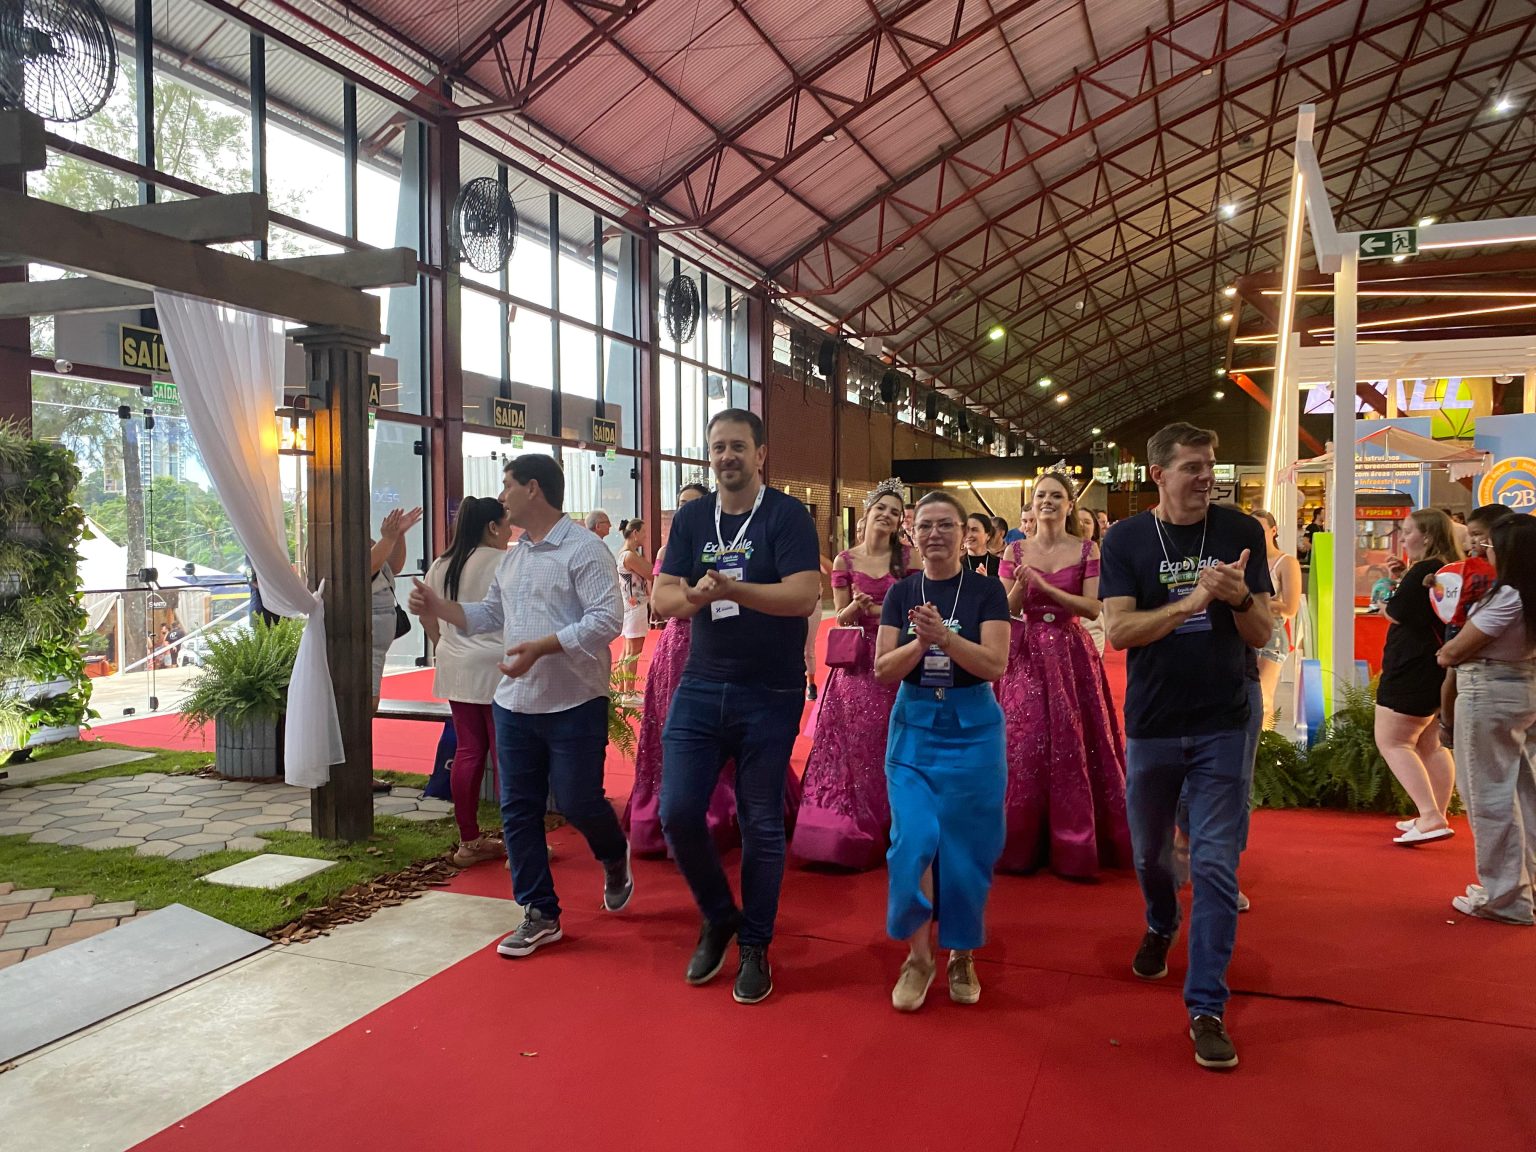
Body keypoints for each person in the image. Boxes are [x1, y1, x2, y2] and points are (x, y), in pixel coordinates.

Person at [409, 455, 631, 959]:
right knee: (517, 808)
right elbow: (491, 614)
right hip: (513, 702)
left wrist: (543, 647)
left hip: (575, 700)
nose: (501, 496)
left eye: (507, 485)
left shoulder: (585, 549)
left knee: (578, 801)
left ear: (533, 488)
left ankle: (614, 853)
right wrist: (440, 608)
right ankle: (539, 912)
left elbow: (606, 620)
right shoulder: (515, 556)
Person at [1100, 422, 1272, 1071]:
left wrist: (1240, 596)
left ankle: (1206, 1007)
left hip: (1224, 721)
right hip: (1153, 723)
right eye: (1193, 467)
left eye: (1211, 466)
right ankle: (1161, 920)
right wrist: (1194, 601)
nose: (1207, 477)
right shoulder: (1126, 539)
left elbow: (1262, 631)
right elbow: (1119, 631)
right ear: (1159, 474)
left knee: (1217, 864)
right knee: (1150, 853)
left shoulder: (1239, 532)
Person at [653, 409, 821, 1005]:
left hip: (770, 692)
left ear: (761, 453)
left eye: (738, 447)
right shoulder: (694, 517)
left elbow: (804, 594)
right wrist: (698, 597)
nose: (727, 456)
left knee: (760, 823)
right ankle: (720, 914)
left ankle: (755, 944)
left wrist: (732, 590)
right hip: (701, 685)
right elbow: (662, 595)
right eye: (718, 447)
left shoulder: (786, 515)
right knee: (677, 812)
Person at [876, 491, 1011, 1011]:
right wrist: (922, 642)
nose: (935, 534)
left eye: (946, 525)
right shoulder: (901, 593)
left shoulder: (986, 591)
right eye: (926, 525)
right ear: (912, 534)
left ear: (964, 534)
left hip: (974, 729)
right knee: (912, 840)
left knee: (965, 848)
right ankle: (918, 957)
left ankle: (961, 952)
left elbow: (994, 664)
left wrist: (946, 640)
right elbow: (883, 669)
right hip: (914, 728)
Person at [996, 469, 1131, 877]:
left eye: (1056, 496)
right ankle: (1020, 840)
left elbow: (1091, 608)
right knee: (1025, 740)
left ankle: (1075, 838)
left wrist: (1047, 587)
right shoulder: (1014, 551)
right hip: (1025, 653)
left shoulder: (1087, 549)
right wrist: (1021, 588)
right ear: (1032, 504)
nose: (1048, 502)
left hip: (1071, 652)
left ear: (1069, 504)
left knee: (1075, 739)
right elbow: (1005, 610)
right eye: (1041, 496)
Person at [793, 480, 907, 869]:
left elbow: (914, 607)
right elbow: (840, 617)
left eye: (894, 512)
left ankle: (892, 822)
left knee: (889, 738)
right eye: (881, 508)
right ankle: (843, 824)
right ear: (868, 513)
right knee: (852, 742)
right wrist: (858, 608)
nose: (887, 515)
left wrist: (874, 610)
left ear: (900, 521)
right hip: (856, 663)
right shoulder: (845, 560)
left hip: (895, 656)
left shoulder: (907, 559)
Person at [623, 484, 741, 855]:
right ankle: (668, 809)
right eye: (680, 505)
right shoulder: (668, 551)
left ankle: (724, 809)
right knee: (671, 723)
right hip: (678, 645)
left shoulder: (729, 545)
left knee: (724, 726)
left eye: (692, 503)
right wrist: (694, 596)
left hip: (723, 640)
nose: (684, 510)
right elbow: (660, 604)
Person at [1437, 514, 1536, 924]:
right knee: (1522, 794)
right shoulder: (1523, 593)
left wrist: (1449, 649)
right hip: (1520, 686)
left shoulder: (1509, 595)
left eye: (1489, 544)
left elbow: (1452, 652)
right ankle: (1522, 887)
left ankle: (1506, 897)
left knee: (1489, 797)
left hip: (1490, 690)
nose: (1482, 550)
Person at [421, 496, 512, 866]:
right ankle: (519, 844)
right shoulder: (505, 562)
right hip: (499, 667)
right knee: (507, 756)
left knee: (469, 751)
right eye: (506, 523)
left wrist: (443, 646)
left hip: (457, 667)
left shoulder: (440, 564)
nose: (510, 531)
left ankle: (469, 841)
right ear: (492, 527)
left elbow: (427, 616)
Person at [1376, 508, 1462, 845]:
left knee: (1392, 740)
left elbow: (1397, 612)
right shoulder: (1448, 568)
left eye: (1408, 530)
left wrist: (1387, 597)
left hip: (1409, 667)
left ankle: (1429, 815)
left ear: (1427, 535)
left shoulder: (1424, 570)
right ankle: (1436, 813)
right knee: (1430, 743)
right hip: (1435, 667)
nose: (1403, 537)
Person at [1436, 504, 1518, 753]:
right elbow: (1447, 584)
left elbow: (1449, 655)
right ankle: (1447, 721)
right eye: (1470, 535)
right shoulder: (1469, 564)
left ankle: (1447, 724)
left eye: (1479, 535)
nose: (1474, 541)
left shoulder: (1508, 591)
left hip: (1489, 685)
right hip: (1464, 626)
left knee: (1452, 668)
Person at [371, 505, 422, 792]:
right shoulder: (341, 547)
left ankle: (360, 769)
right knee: (366, 705)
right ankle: (357, 771)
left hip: (377, 644)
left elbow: (393, 566)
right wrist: (389, 537)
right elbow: (366, 567)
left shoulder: (376, 547)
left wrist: (398, 536)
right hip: (363, 644)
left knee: (370, 703)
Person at [1250, 510, 1301, 729]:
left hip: (1272, 635)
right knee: (1246, 697)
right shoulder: (1247, 560)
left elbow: (1290, 608)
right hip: (1246, 632)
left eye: (1260, 530)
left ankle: (1266, 745)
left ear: (1273, 531)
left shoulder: (1286, 563)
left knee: (1263, 697)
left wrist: (1251, 601)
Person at [617, 518, 651, 699]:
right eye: (643, 532)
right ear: (635, 533)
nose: (646, 536)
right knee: (633, 652)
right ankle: (629, 694)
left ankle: (623, 691)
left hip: (631, 606)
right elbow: (651, 572)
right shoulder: (630, 556)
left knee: (627, 651)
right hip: (634, 606)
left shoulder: (628, 554)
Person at [1076, 509, 1107, 655]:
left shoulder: (1103, 554)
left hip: (1090, 621)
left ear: (1095, 529)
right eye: (1078, 521)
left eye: (1087, 522)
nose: (1082, 525)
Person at [962, 512, 1004, 579]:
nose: (968, 535)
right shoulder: (955, 564)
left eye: (974, 530)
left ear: (988, 535)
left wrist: (986, 581)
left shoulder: (999, 564)